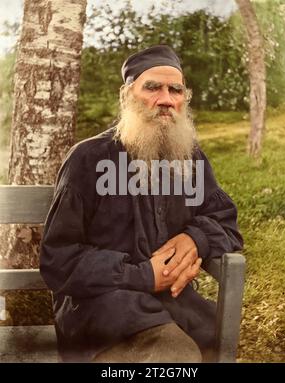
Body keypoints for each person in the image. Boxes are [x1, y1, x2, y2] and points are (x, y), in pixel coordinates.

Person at [40, 45, 243, 363]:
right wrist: (141, 275)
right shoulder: (88, 159)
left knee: (201, 345)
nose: (166, 99)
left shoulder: (190, 158)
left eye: (175, 90)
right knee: (175, 356)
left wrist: (196, 238)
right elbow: (58, 258)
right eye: (152, 87)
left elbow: (224, 218)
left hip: (173, 305)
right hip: (103, 310)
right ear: (127, 95)